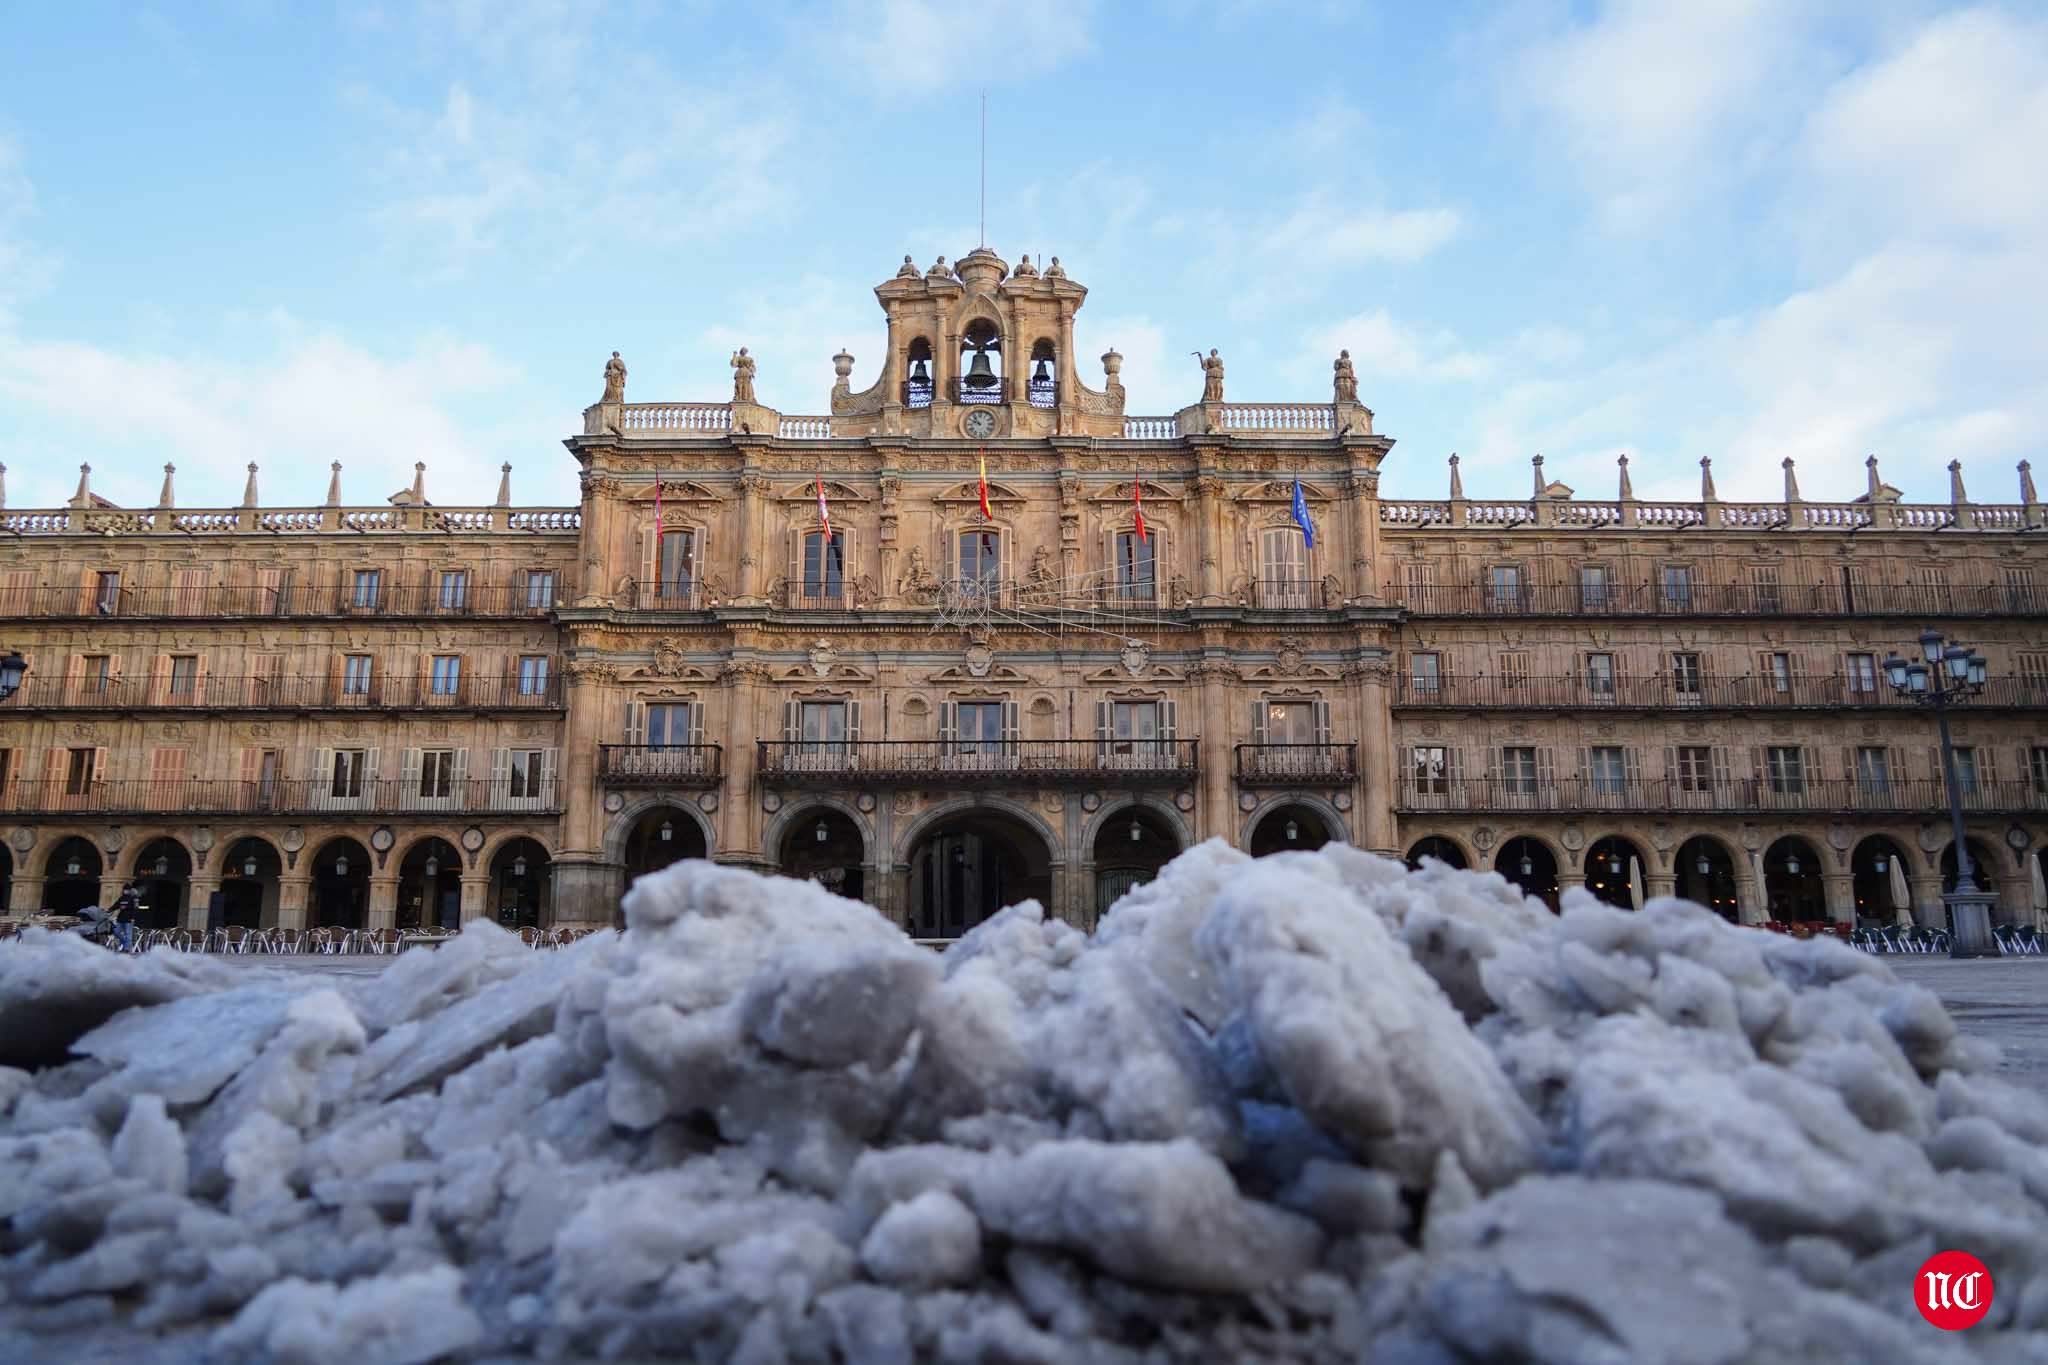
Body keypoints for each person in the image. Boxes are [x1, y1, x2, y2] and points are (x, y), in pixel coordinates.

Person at [110, 883, 141, 952]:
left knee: (128, 934)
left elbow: (136, 909)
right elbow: (116, 905)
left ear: (130, 890)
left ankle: (126, 949)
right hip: (120, 918)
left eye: (127, 890)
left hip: (129, 919)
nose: (125, 891)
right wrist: (109, 910)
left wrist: (133, 917)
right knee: (116, 931)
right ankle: (124, 943)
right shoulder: (122, 898)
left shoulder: (134, 898)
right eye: (124, 889)